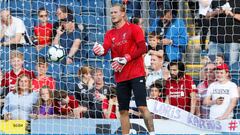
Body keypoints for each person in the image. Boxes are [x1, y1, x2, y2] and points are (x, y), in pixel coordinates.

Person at [92, 4, 154, 134]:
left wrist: (126, 58)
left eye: (115, 12)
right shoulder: (110, 34)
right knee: (123, 110)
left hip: (137, 74)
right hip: (121, 77)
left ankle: (153, 133)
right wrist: (98, 50)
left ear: (123, 13)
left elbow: (143, 48)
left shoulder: (134, 28)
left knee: (142, 107)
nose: (113, 15)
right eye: (111, 13)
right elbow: (104, 49)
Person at [207, 0, 240, 66]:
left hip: (233, 42)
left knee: (232, 68)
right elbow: (207, 16)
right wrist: (216, 12)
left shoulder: (238, 2)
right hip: (215, 41)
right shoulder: (215, 1)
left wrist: (231, 14)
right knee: (213, 67)